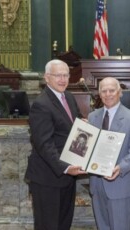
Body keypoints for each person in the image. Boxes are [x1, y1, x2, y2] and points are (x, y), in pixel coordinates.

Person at [25, 59, 87, 230]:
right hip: (48, 178)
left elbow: (73, 124)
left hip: (66, 177)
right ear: (47, 78)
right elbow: (43, 144)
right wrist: (65, 168)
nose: (63, 79)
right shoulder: (41, 104)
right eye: (58, 75)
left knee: (63, 224)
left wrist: (83, 124)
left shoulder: (68, 96)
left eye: (66, 75)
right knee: (48, 226)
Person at [88, 77, 130, 230]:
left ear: (120, 92)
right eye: (104, 91)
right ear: (99, 94)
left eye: (112, 90)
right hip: (97, 185)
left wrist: (120, 167)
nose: (108, 94)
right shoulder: (92, 117)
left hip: (120, 185)